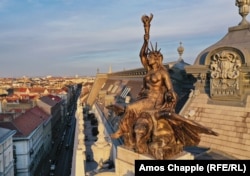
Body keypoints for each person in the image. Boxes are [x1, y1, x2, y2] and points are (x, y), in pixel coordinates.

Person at [109, 14, 178, 149]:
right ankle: (129, 132)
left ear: (157, 59)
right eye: (149, 56)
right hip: (146, 98)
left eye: (151, 56)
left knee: (130, 108)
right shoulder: (148, 70)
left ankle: (122, 129)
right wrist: (146, 37)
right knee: (128, 108)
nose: (149, 58)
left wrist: (170, 95)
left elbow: (170, 88)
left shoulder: (162, 72)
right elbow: (141, 54)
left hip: (155, 100)